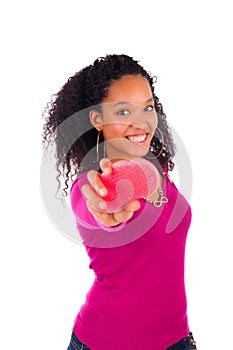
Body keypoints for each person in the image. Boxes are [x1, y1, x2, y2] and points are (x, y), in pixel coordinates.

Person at [42, 54, 197, 349]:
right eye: (123, 112)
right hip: (106, 341)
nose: (141, 122)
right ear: (97, 119)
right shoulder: (91, 182)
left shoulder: (159, 167)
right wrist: (105, 212)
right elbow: (92, 207)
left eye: (147, 107)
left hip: (178, 339)